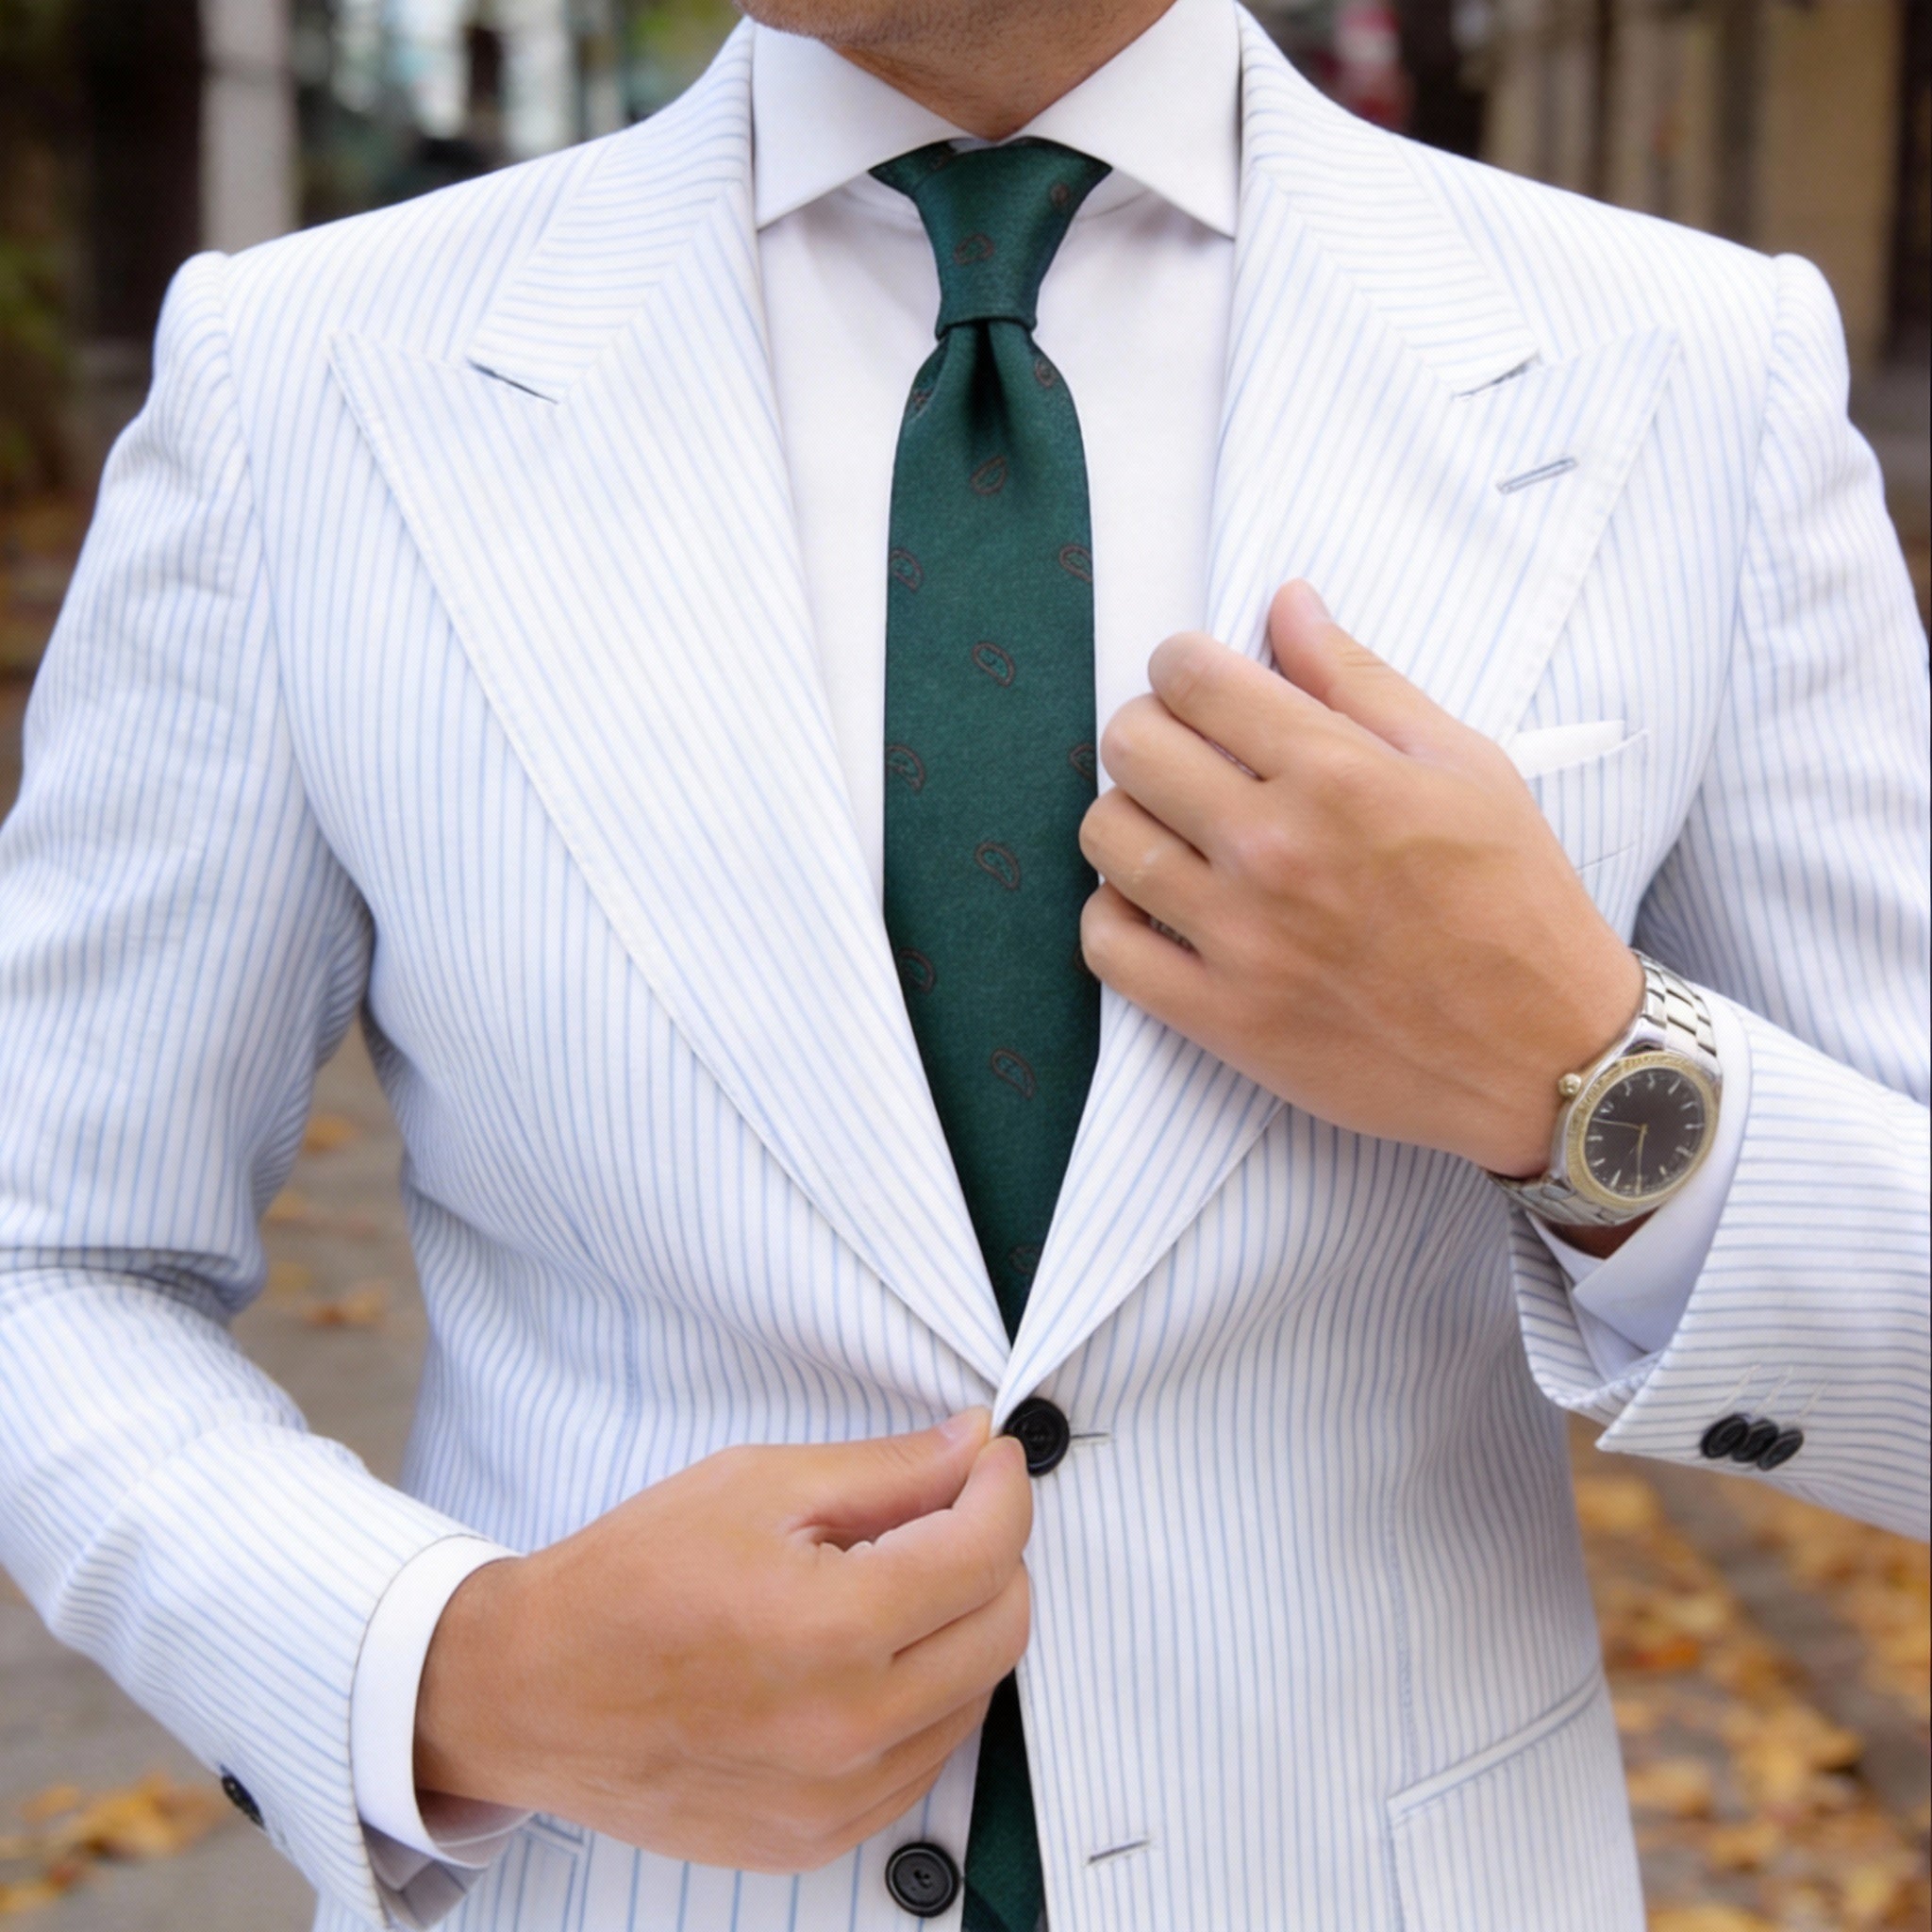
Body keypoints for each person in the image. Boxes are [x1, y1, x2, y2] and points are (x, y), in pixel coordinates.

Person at [0, 0, 1924, 1927]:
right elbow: (48, 1247)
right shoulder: (304, 379)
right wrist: (449, 1668)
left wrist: (1589, 1083)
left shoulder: (1690, 373)